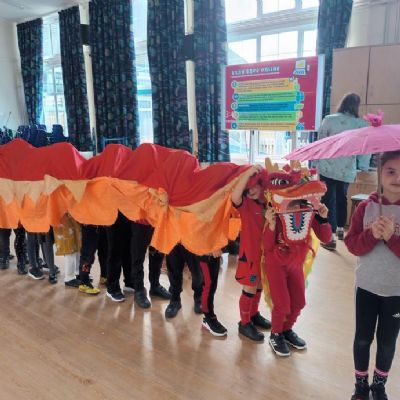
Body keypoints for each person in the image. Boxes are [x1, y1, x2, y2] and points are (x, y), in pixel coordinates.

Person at [345, 150, 400, 400]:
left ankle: (378, 386)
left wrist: (391, 238)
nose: (397, 178)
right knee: (362, 339)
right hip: (366, 287)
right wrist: (371, 235)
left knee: (387, 343)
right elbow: (352, 245)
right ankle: (360, 386)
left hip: (396, 292)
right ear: (380, 173)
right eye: (391, 171)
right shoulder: (366, 208)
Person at [264, 200, 332, 356]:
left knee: (299, 302)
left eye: (298, 202)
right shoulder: (276, 213)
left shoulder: (307, 212)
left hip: (296, 264)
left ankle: (286, 330)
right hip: (276, 265)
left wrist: (323, 219)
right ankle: (276, 334)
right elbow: (267, 246)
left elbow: (326, 238)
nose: (295, 206)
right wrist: (271, 225)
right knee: (282, 304)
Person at [315, 93, 371, 250]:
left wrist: (316, 161)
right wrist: (363, 166)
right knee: (342, 199)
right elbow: (366, 149)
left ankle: (330, 237)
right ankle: (340, 229)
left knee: (328, 201)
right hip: (346, 169)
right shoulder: (361, 124)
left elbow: (320, 142)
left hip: (327, 167)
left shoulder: (329, 119)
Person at [231, 165, 271, 342]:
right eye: (247, 188)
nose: (251, 191)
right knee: (250, 287)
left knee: (259, 284)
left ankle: (253, 314)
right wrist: (247, 174)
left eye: (254, 186)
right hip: (250, 254)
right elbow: (235, 197)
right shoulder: (245, 203)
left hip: (264, 253)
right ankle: (244, 322)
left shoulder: (267, 202)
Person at [130, 221, 171, 308]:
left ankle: (155, 286)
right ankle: (139, 290)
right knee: (138, 255)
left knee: (157, 253)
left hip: (159, 220)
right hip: (141, 220)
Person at [164, 243, 203, 319]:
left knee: (197, 271)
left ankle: (199, 298)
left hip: (194, 239)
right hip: (173, 239)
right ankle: (175, 300)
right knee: (173, 270)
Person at [200, 250, 227, 337]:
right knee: (208, 286)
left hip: (214, 252)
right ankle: (209, 318)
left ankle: (208, 318)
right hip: (205, 252)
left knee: (212, 286)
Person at [53, 213, 81, 287]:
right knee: (69, 249)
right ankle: (69, 278)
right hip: (63, 217)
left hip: (73, 216)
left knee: (77, 246)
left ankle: (78, 272)